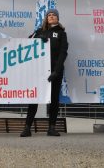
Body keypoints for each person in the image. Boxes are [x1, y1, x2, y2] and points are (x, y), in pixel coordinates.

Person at [20, 8, 68, 137]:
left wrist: (56, 71)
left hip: (54, 72)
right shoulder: (39, 31)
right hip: (39, 71)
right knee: (34, 98)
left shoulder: (61, 33)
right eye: (49, 15)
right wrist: (37, 38)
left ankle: (51, 128)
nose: (51, 17)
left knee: (54, 100)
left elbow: (63, 53)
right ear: (46, 18)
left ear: (57, 18)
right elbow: (26, 43)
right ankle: (27, 128)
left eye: (54, 15)